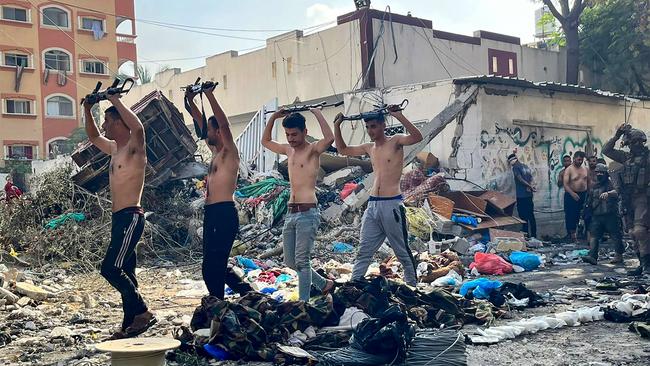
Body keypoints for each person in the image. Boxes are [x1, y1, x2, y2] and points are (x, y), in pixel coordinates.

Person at [83, 94, 155, 339]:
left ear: (118, 122)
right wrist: (87, 108)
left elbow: (138, 126)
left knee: (110, 269)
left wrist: (116, 100)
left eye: (107, 121)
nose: (103, 126)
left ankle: (143, 312)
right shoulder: (114, 149)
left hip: (131, 216)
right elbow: (93, 137)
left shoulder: (135, 149)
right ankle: (129, 326)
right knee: (126, 270)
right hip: (119, 219)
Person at [334, 106, 423, 287]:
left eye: (373, 126)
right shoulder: (369, 148)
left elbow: (417, 137)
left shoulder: (396, 141)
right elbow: (342, 150)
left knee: (401, 251)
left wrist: (399, 115)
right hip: (373, 205)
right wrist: (337, 125)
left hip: (392, 205)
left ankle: (412, 287)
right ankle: (355, 284)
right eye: (367, 127)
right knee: (364, 249)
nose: (370, 131)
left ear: (383, 125)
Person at [185, 84, 254, 299]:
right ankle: (248, 294)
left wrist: (209, 95)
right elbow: (200, 121)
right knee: (214, 265)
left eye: (210, 128)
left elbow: (223, 123)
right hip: (212, 214)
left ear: (218, 132)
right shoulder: (214, 151)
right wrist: (190, 100)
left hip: (225, 212)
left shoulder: (229, 152)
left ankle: (218, 304)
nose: (206, 131)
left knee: (212, 266)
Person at [262, 107, 335, 301]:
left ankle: (304, 304)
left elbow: (329, 138)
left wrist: (317, 112)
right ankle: (323, 284)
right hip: (291, 212)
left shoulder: (313, 150)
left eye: (294, 134)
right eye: (287, 134)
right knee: (290, 261)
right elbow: (265, 141)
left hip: (308, 212)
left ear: (305, 132)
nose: (291, 138)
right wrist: (274, 117)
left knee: (302, 262)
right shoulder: (288, 151)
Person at [603, 125, 650, 275]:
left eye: (639, 142)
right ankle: (642, 264)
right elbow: (606, 150)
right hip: (627, 198)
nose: (636, 145)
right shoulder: (625, 157)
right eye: (633, 142)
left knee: (640, 231)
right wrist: (617, 135)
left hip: (642, 197)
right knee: (631, 233)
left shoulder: (648, 158)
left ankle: (647, 265)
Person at [581, 164, 623, 265]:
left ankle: (619, 256)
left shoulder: (611, 184)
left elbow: (617, 192)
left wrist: (609, 193)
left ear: (605, 174)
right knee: (594, 236)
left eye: (602, 173)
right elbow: (589, 200)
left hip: (610, 215)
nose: (599, 174)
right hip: (597, 215)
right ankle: (593, 256)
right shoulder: (593, 186)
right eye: (597, 172)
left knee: (615, 236)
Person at [508, 154, 537, 238]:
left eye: (510, 162)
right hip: (529, 195)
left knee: (523, 217)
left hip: (521, 196)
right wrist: (531, 186)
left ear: (513, 160)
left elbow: (519, 179)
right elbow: (531, 178)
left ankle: (526, 235)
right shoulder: (525, 166)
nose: (510, 164)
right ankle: (534, 235)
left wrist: (529, 186)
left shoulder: (515, 167)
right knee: (531, 216)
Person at [563, 151, 589, 241]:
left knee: (585, 215)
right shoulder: (569, 169)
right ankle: (572, 236)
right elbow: (565, 184)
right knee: (571, 216)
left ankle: (585, 234)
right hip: (571, 194)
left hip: (584, 194)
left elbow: (588, 181)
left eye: (581, 160)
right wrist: (572, 193)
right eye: (578, 160)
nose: (580, 161)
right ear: (574, 159)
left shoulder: (585, 168)